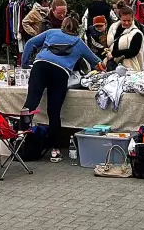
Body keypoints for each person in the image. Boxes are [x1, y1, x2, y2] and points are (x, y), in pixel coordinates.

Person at [21, 15, 102, 163]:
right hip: (60, 73)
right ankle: (55, 150)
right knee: (54, 111)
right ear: (77, 29)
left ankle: (20, 140)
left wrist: (25, 63)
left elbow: (30, 44)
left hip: (40, 66)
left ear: (62, 25)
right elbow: (97, 64)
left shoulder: (51, 32)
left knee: (30, 104)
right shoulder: (79, 42)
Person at [104, 2, 144, 71]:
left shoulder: (137, 33)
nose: (126, 23)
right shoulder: (113, 27)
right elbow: (109, 44)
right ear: (120, 18)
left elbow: (133, 52)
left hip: (131, 69)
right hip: (112, 66)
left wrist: (114, 53)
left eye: (129, 20)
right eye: (124, 20)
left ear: (133, 18)